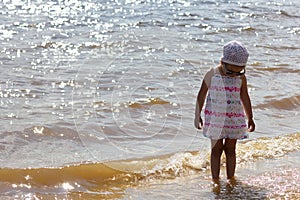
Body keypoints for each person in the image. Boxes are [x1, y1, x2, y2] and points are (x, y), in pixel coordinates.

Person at [194, 41, 255, 182]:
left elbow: (245, 97)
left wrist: (250, 117)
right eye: (230, 71)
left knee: (230, 149)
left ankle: (230, 178)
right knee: (216, 150)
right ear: (222, 62)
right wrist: (197, 115)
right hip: (215, 118)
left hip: (234, 119)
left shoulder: (240, 78)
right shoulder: (212, 74)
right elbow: (201, 94)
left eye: (238, 71)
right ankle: (215, 179)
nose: (234, 74)